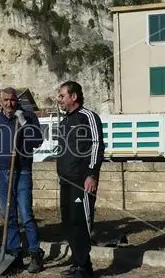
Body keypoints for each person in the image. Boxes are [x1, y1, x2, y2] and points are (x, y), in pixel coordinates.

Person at [0, 87, 45, 273]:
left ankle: (36, 252)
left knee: (25, 213)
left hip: (22, 171)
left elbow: (37, 140)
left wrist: (23, 122)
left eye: (12, 100)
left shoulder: (28, 116)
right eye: (5, 100)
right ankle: (14, 253)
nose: (9, 103)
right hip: (3, 172)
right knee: (8, 214)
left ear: (17, 100)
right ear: (0, 101)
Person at [55, 81, 104, 278]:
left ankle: (84, 267)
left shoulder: (89, 117)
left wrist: (92, 174)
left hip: (82, 180)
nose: (59, 100)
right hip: (65, 181)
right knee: (68, 222)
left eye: (61, 96)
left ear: (73, 97)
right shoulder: (64, 121)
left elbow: (97, 146)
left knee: (81, 222)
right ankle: (77, 263)